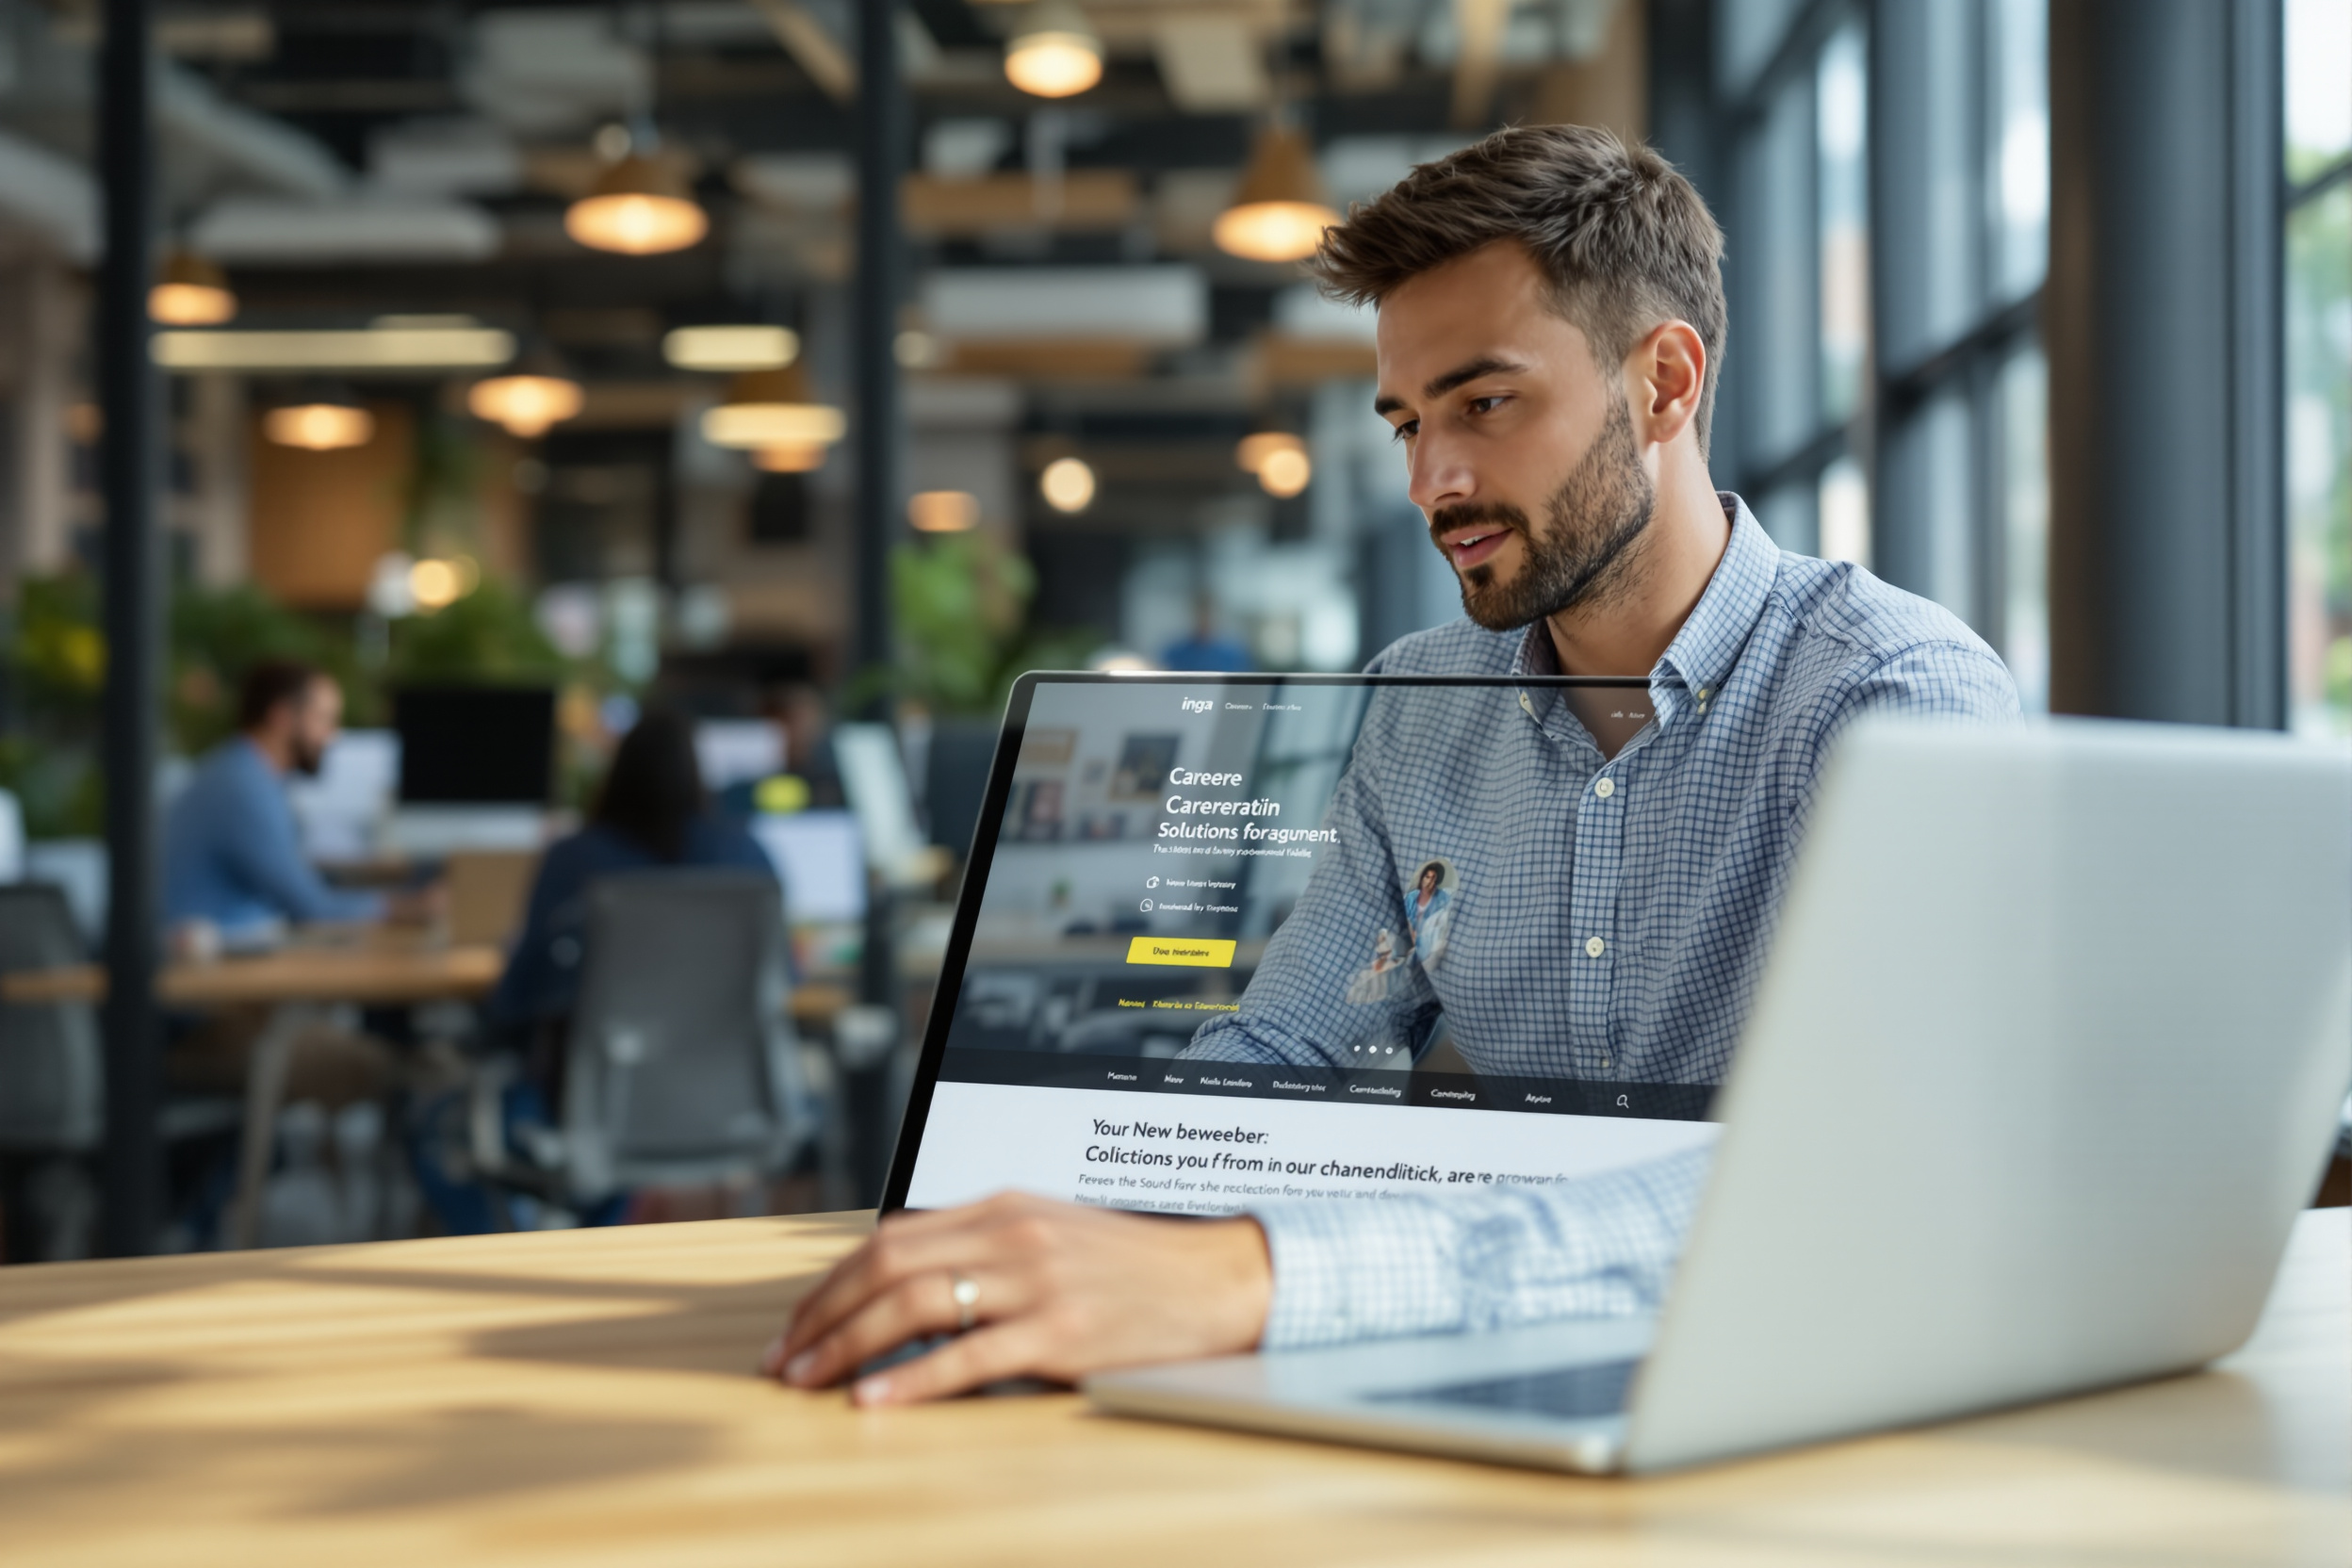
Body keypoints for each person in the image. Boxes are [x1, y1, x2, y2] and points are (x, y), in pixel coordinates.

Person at [762, 125, 2020, 1404]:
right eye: (1407, 422)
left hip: (1815, 1392)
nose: (1435, 480)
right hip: (1501, 1356)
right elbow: (1291, 1048)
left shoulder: (1893, 705)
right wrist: (1059, 1201)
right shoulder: (1423, 704)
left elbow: (1856, 1167)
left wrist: (1254, 1279)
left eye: (1484, 404)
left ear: (1666, 383)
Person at [490, 706, 777, 1032]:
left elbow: (518, 992)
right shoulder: (743, 855)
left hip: (600, 1072)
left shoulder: (572, 859)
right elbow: (781, 974)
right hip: (725, 1073)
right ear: (697, 773)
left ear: (616, 773)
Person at [164, 659, 428, 939]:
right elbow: (312, 909)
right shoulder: (244, 788)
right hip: (200, 968)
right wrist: (411, 908)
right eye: (324, 719)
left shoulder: (243, 772)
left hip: (217, 950)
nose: (332, 736)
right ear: (282, 717)